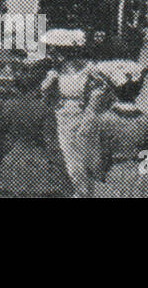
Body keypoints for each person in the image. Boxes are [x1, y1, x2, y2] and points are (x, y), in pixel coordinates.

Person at [82, 61, 148, 198]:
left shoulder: (103, 122)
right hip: (143, 178)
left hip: (113, 182)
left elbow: (95, 164)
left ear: (113, 90)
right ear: (138, 90)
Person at [0, 61, 72, 197]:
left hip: (11, 170)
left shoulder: (5, 106)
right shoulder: (45, 110)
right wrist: (65, 178)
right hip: (39, 171)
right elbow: (53, 148)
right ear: (39, 84)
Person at [39, 30, 94, 196]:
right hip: (62, 116)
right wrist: (50, 82)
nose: (51, 54)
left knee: (81, 159)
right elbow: (43, 92)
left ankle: (82, 193)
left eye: (55, 50)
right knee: (66, 157)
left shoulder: (89, 68)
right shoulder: (56, 71)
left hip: (82, 115)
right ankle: (73, 192)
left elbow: (98, 92)